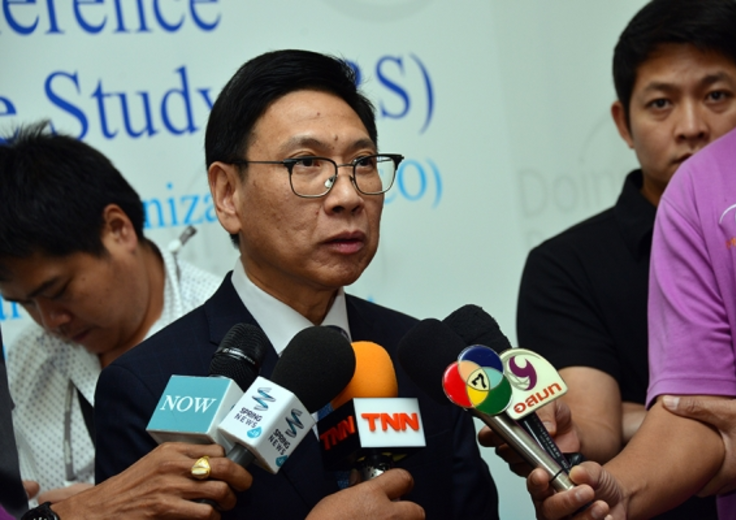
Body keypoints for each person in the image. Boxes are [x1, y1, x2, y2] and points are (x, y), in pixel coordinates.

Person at [93, 49, 499, 520]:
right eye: (306, 162)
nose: (347, 195)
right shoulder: (147, 387)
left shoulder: (423, 359)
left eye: (363, 161)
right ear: (228, 194)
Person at [485, 0, 736, 517]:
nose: (690, 126)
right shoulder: (565, 265)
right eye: (660, 103)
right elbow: (593, 425)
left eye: (716, 95)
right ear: (623, 122)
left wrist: (642, 416)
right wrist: (571, 430)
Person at [0, 123, 223, 505]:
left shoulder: (224, 327)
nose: (50, 321)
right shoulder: (27, 359)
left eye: (58, 291)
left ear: (118, 230)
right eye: (26, 304)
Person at [0, 330, 423, 520]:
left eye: (361, 172)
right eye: (307, 172)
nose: (345, 197)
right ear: (226, 196)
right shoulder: (137, 381)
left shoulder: (417, 349)